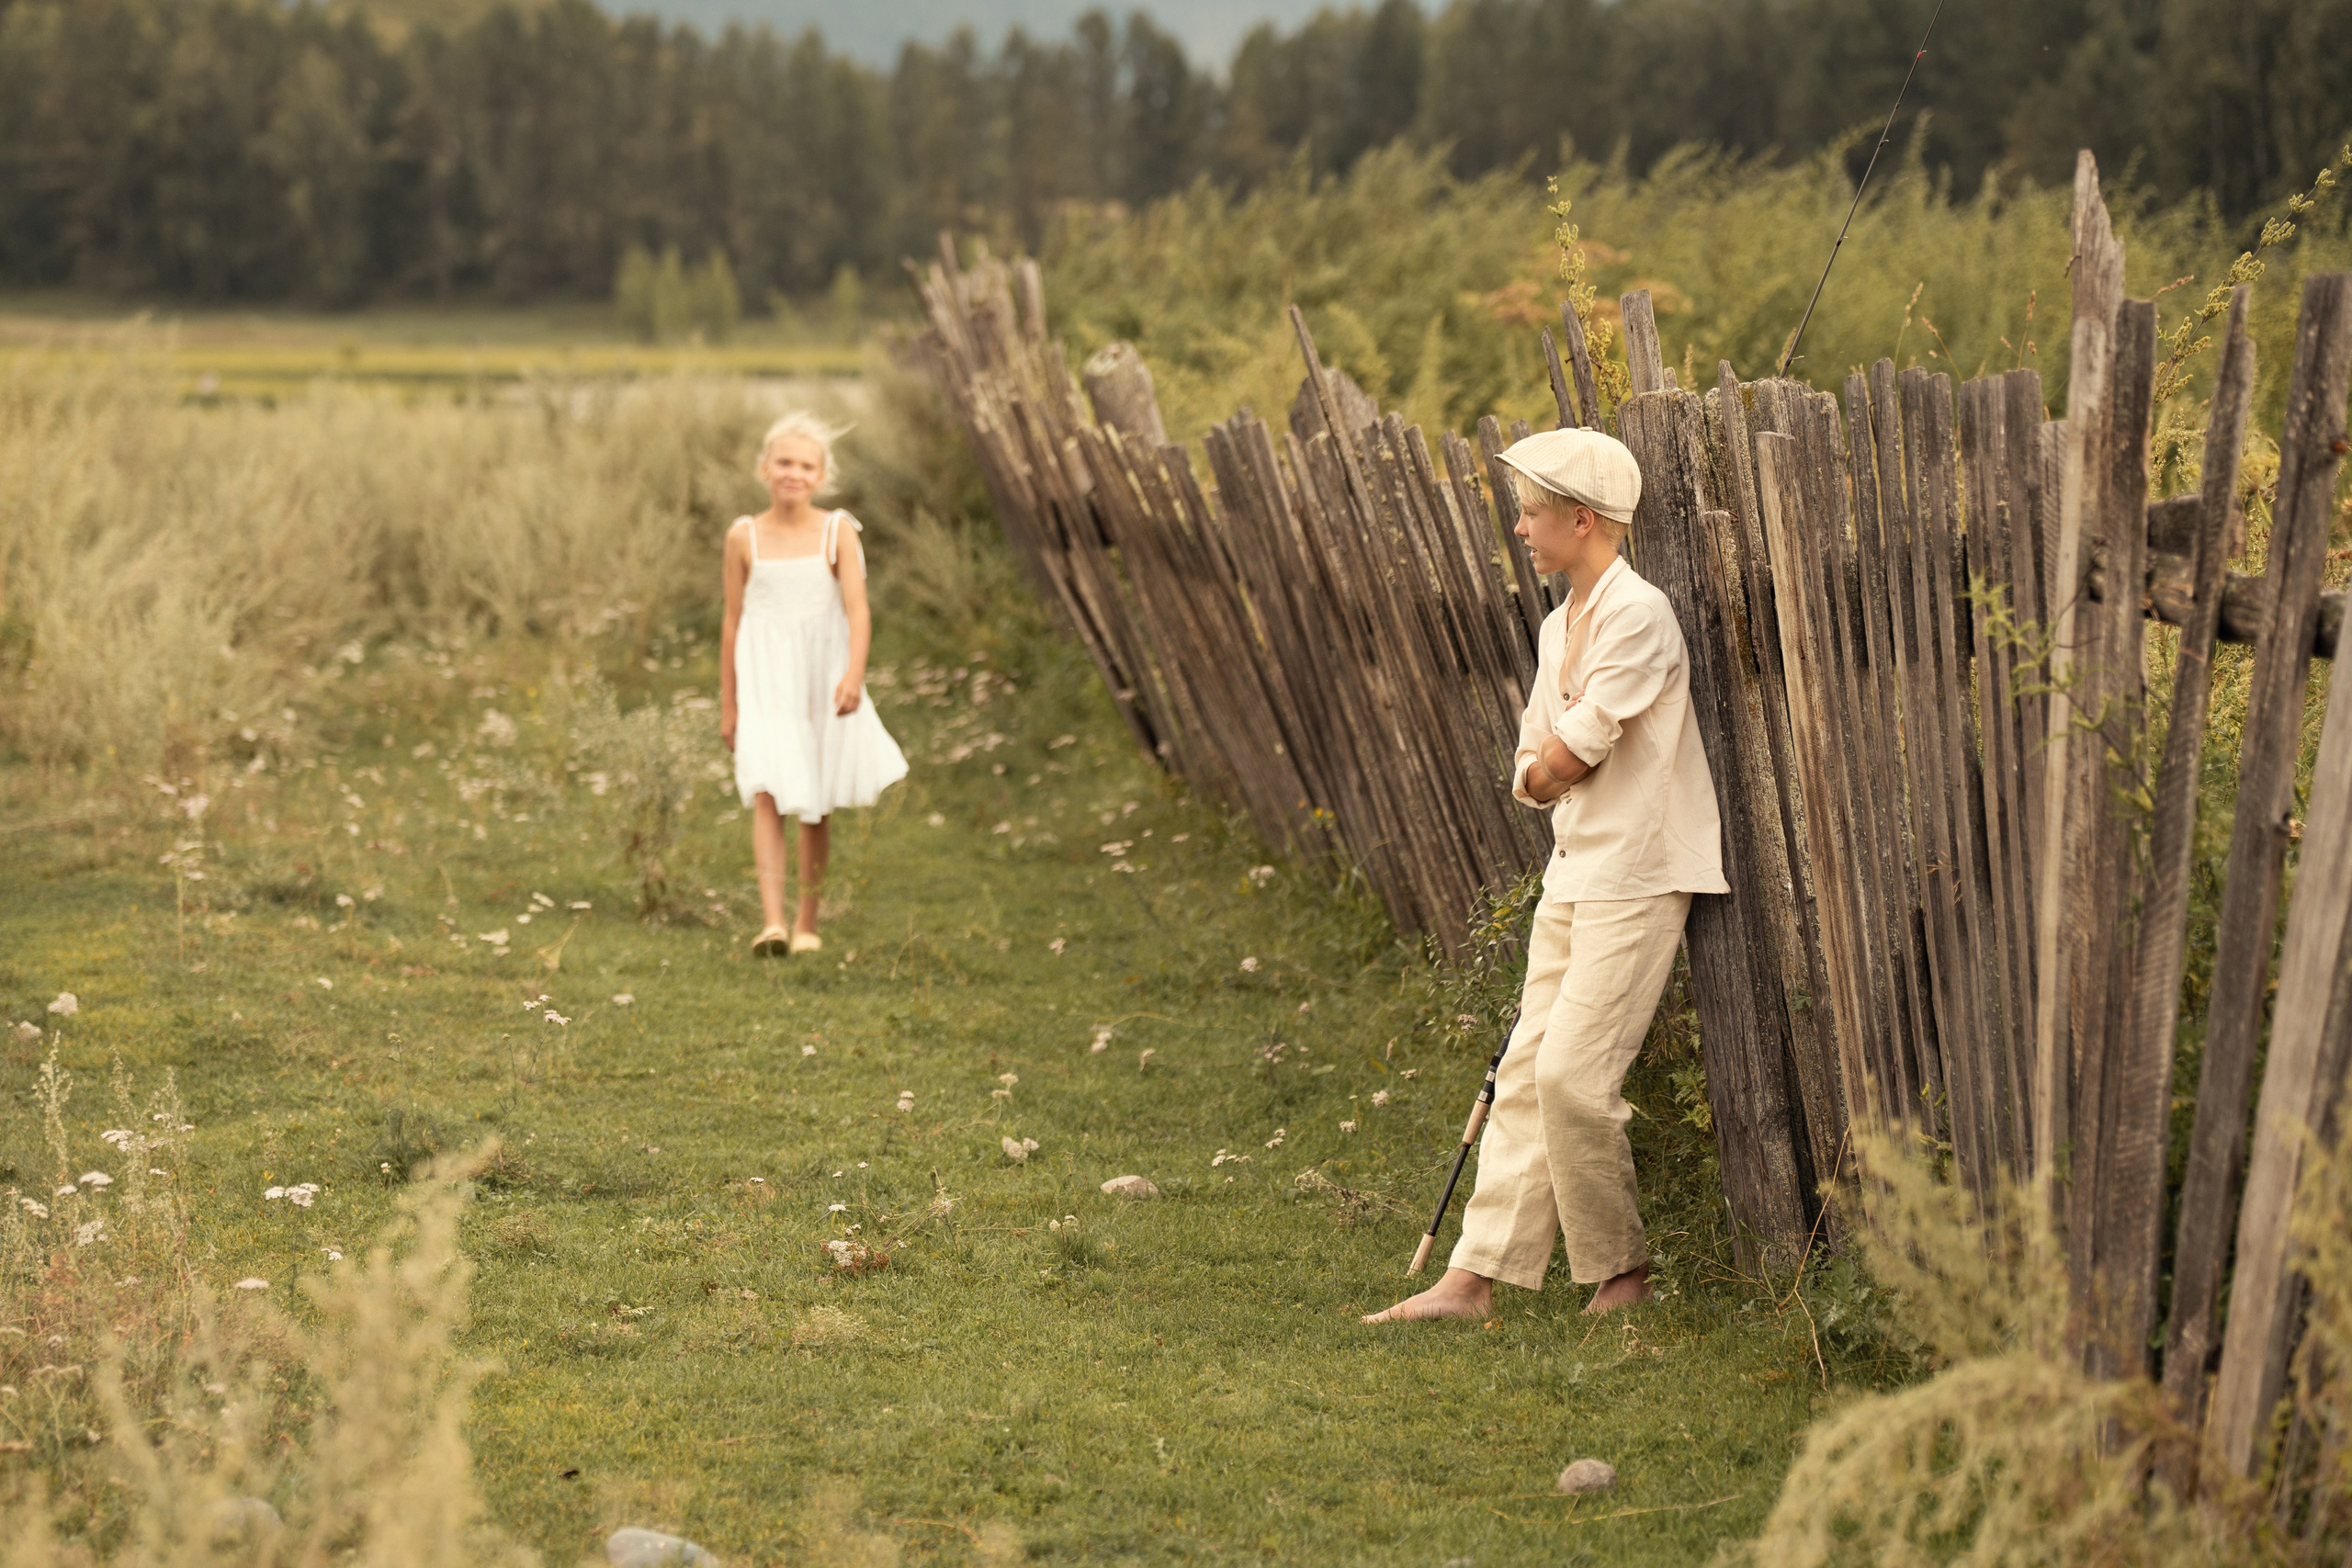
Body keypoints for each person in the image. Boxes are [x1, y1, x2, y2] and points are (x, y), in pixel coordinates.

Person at [1366, 427, 1726, 1322]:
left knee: (1571, 1076)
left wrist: (1546, 769)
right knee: (1525, 1072)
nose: (1520, 530)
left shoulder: (1639, 616)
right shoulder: (1558, 623)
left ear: (1581, 517)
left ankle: (1624, 1275)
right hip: (1573, 870)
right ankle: (1470, 1280)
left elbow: (1571, 755)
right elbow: (1535, 759)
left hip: (1638, 875)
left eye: (1529, 514)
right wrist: (1545, 769)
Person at [720, 413, 908, 957]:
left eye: (806, 465)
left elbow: (857, 609)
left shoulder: (837, 531)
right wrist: (729, 703)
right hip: (764, 678)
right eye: (784, 462)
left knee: (814, 803)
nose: (793, 474)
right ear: (764, 468)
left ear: (822, 475)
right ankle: (772, 923)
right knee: (766, 790)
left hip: (822, 678)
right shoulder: (742, 536)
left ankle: (807, 923)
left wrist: (854, 674)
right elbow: (731, 620)